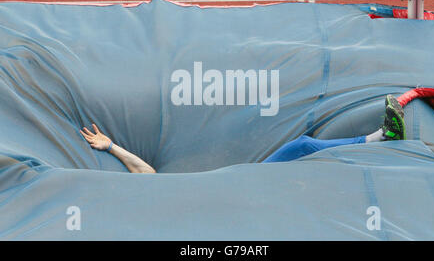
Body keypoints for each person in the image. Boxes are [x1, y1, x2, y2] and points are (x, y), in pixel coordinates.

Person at [80, 95, 405, 173]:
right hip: (239, 194)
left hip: (235, 187)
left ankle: (378, 140)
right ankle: (380, 140)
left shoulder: (152, 193)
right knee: (303, 148)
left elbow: (144, 171)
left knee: (303, 147)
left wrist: (112, 147)